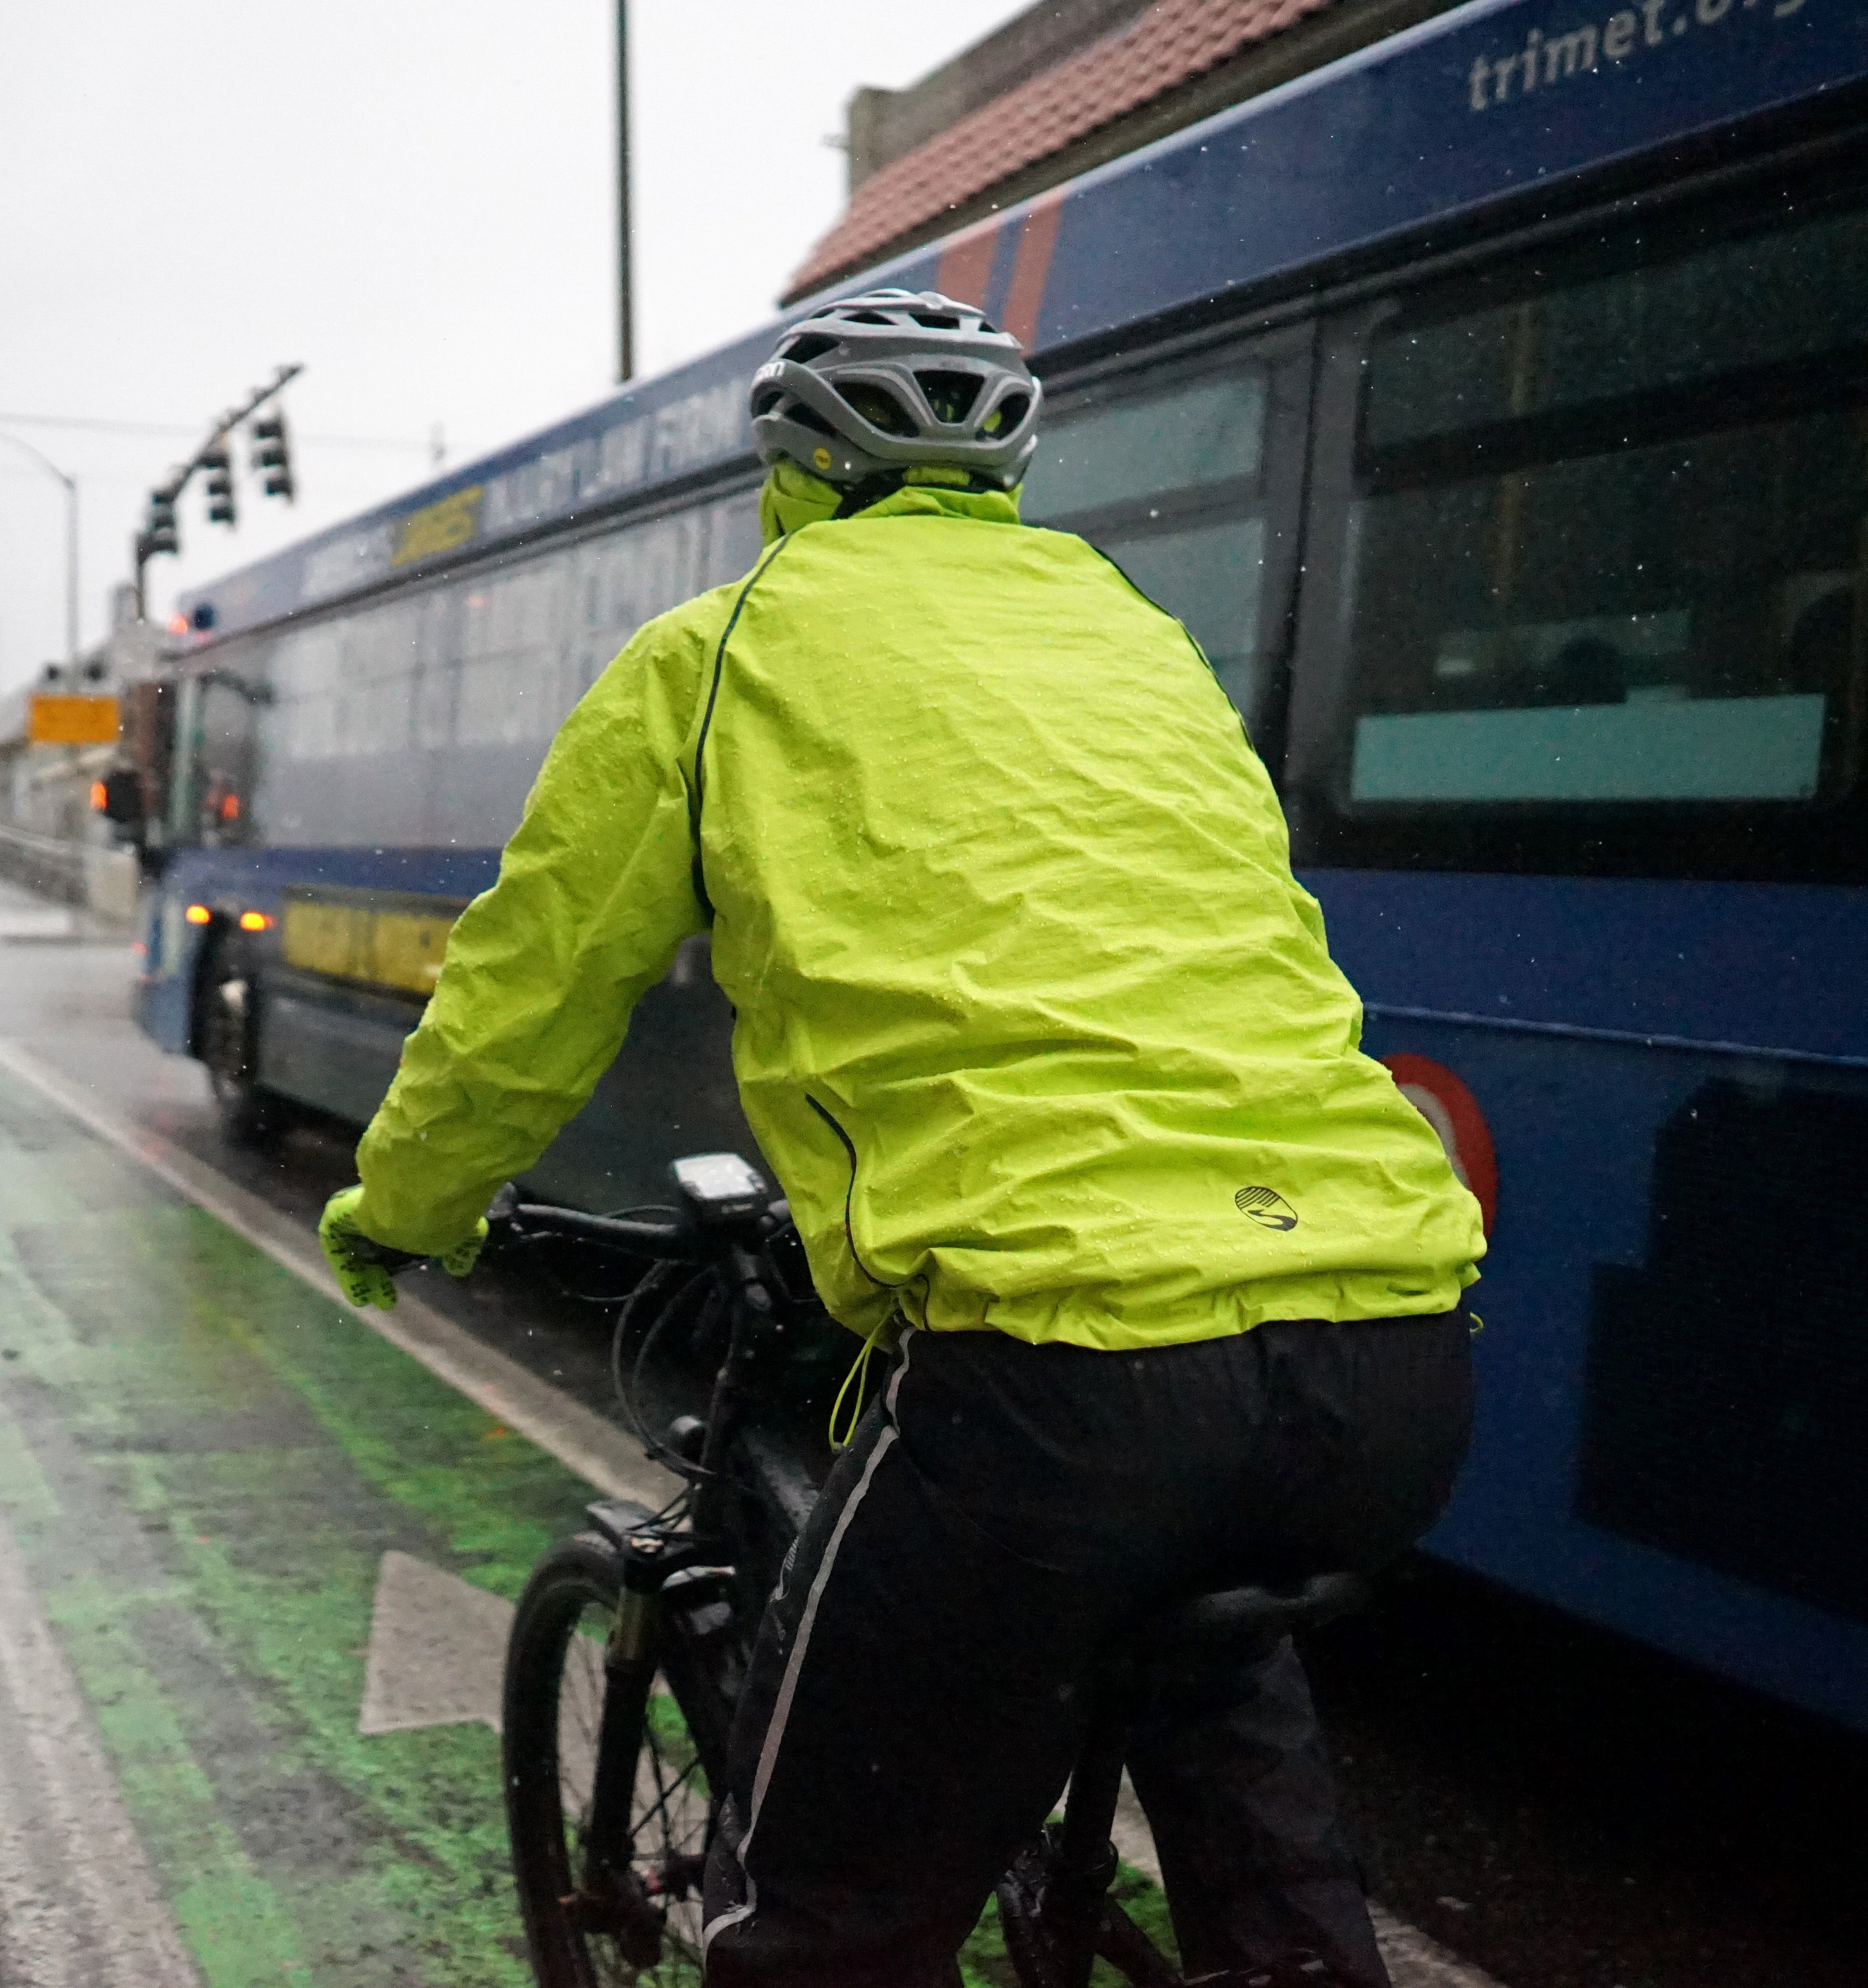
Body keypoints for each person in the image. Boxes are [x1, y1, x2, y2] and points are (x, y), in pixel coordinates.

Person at [318, 289, 1484, 1988]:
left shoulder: (718, 653)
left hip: (1069, 1385)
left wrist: (403, 1206)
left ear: (791, 473)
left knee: (819, 1935)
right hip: (1389, 1353)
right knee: (1252, 1823)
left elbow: (529, 988)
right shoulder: (1133, 633)